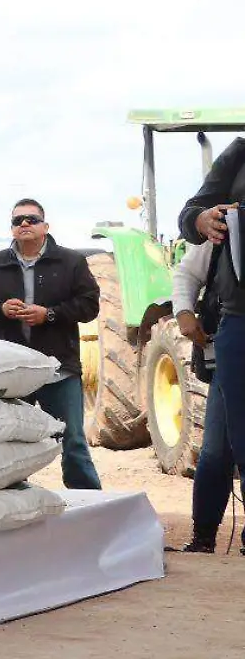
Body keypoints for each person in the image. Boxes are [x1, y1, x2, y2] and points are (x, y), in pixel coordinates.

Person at [0, 199, 102, 489]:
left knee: (72, 441)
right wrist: (0, 310)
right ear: (12, 229)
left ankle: (90, 506)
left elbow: (89, 306)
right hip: (12, 373)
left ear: (45, 226)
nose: (24, 224)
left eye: (31, 219)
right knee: (10, 444)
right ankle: (13, 506)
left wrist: (49, 314)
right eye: (18, 221)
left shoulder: (71, 262)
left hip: (59, 371)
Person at [180, 137, 245, 546]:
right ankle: (204, 535)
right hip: (236, 324)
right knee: (223, 446)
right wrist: (201, 219)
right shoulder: (239, 155)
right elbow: (190, 219)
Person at [171, 239, 236, 553]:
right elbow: (186, 272)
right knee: (216, 450)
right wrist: (184, 312)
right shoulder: (224, 230)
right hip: (233, 349)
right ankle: (203, 537)